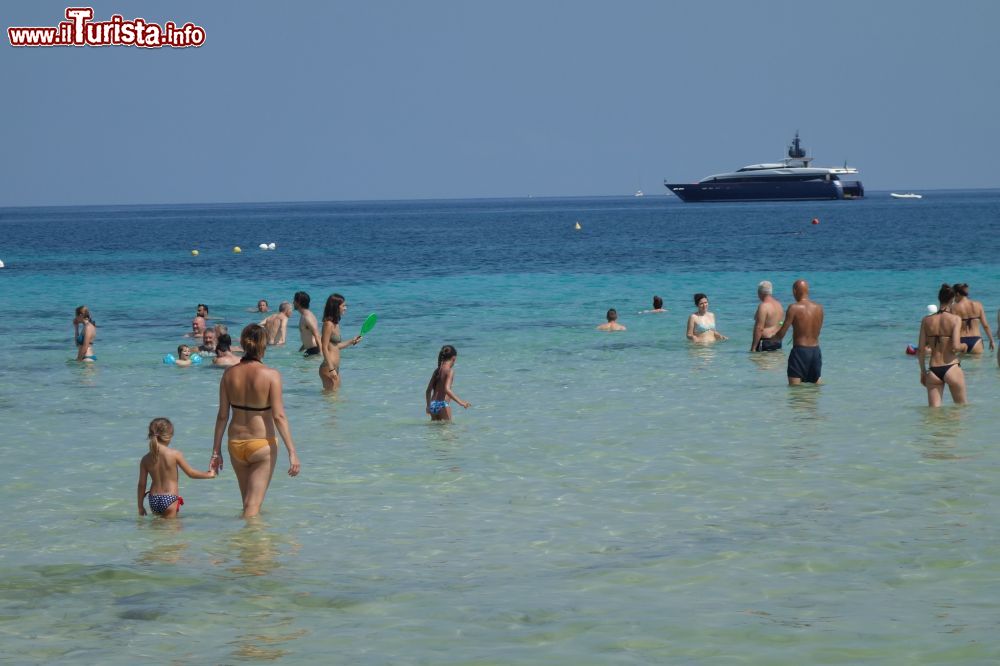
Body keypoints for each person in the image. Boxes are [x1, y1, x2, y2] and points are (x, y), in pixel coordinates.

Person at [211, 324, 300, 518]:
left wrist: (215, 451)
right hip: (261, 444)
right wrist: (292, 452)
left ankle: (248, 547)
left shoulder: (229, 374)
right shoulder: (271, 375)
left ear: (242, 344)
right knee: (252, 507)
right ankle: (252, 544)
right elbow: (279, 416)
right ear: (264, 345)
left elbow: (222, 416)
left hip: (235, 444)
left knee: (248, 504)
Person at [137, 417, 215, 518]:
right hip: (169, 498)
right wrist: (209, 474)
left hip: (153, 499)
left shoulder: (145, 459)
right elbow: (190, 473)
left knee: (157, 530)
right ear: (169, 436)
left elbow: (141, 485)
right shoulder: (174, 454)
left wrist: (140, 506)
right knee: (172, 531)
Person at [918, 284, 968, 406]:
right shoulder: (955, 319)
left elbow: (921, 350)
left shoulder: (926, 320)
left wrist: (923, 372)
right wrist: (964, 346)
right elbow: (956, 346)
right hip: (951, 367)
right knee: (961, 409)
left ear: (939, 299)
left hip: (933, 370)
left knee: (934, 416)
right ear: (952, 300)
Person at [772, 279, 824, 384]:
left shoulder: (793, 308)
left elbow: (781, 334)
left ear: (794, 291)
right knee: (814, 391)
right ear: (807, 291)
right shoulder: (819, 308)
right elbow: (817, 332)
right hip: (815, 352)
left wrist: (772, 338)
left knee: (795, 392)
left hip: (800, 352)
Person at [319, 293, 362, 391]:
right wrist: (331, 368)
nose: (345, 308)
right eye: (343, 306)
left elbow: (336, 346)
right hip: (328, 368)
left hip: (335, 368)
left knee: (335, 400)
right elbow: (324, 347)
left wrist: (352, 341)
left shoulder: (336, 324)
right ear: (335, 307)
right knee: (332, 400)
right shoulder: (328, 324)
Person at [425, 345, 471, 421]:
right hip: (443, 405)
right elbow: (447, 389)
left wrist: (428, 406)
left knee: (435, 431)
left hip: (433, 405)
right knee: (448, 431)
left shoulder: (437, 371)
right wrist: (461, 402)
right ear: (453, 358)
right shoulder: (450, 371)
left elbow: (428, 391)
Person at [950, 283, 994, 354]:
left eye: (953, 295)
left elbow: (951, 328)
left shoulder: (953, 308)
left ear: (957, 294)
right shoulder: (978, 305)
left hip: (960, 341)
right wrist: (991, 340)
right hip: (976, 341)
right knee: (976, 364)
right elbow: (985, 325)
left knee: (960, 364)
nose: (953, 298)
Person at [750, 280, 784, 352]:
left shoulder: (763, 306)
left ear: (759, 292)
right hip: (777, 342)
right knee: (774, 363)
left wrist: (753, 347)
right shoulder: (779, 305)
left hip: (765, 342)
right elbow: (781, 323)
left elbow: (759, 328)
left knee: (763, 363)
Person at [294, 291, 321, 357]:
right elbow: (308, 335)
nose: (293, 302)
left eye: (294, 300)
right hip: (310, 350)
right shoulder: (304, 316)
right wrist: (300, 351)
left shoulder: (307, 317)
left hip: (314, 350)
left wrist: (321, 354)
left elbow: (317, 335)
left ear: (298, 302)